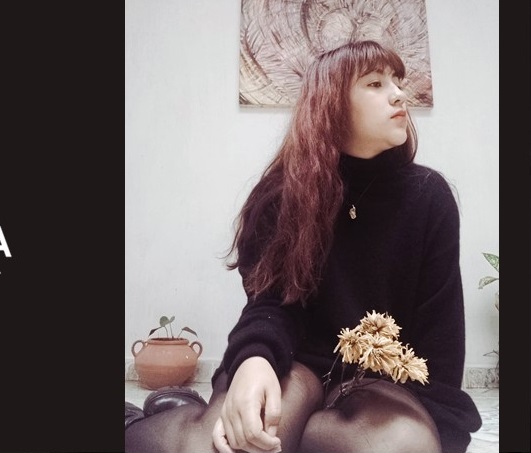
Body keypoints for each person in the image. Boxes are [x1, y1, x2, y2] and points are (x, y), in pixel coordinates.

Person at [124, 40, 483, 453]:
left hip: (383, 383)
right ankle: (140, 422)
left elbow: (440, 335)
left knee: (401, 443)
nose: (399, 94)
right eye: (375, 83)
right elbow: (271, 304)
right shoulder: (282, 194)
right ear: (331, 103)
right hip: (293, 360)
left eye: (397, 81)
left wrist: (439, 432)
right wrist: (255, 358)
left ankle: (204, 412)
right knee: (229, 443)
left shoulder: (428, 197)